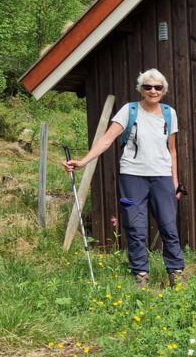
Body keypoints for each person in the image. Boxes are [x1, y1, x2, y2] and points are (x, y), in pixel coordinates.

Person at [64, 69, 187, 287]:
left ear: (163, 90)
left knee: (168, 226)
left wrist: (175, 180)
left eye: (157, 87)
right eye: (148, 86)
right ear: (141, 89)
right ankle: (141, 275)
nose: (153, 91)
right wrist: (83, 161)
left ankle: (176, 273)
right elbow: (106, 140)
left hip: (162, 177)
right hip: (132, 177)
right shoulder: (129, 111)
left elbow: (172, 150)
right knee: (135, 227)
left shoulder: (170, 113)